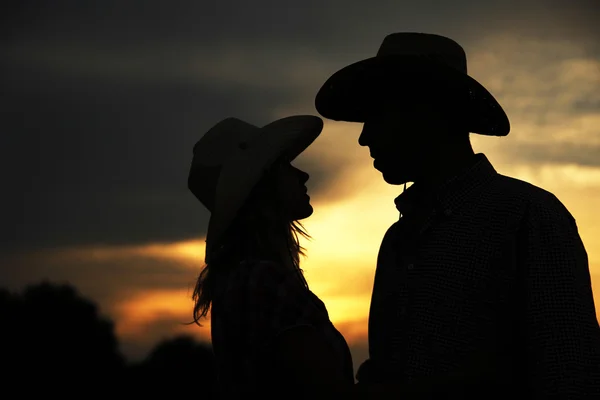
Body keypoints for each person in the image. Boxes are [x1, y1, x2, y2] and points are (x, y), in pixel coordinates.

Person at [315, 32, 600, 399]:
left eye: (377, 116)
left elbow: (570, 375)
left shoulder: (529, 218)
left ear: (426, 112)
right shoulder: (398, 239)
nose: (364, 137)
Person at [187, 115, 357, 398]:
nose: (302, 175)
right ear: (261, 184)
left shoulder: (245, 277)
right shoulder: (262, 281)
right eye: (284, 166)